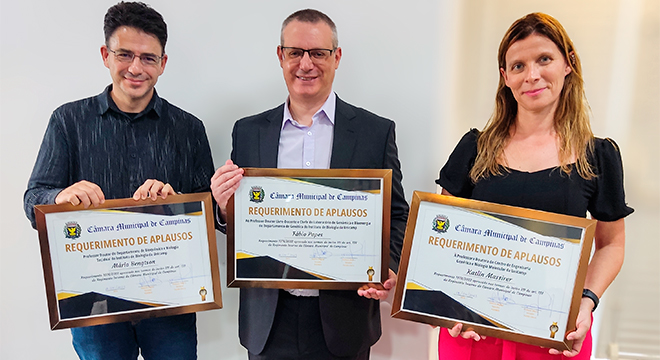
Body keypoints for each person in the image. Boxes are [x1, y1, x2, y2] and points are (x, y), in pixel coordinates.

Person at [210, 9, 409, 360]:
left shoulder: (374, 132)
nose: (306, 64)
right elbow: (237, 218)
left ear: (337, 57)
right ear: (280, 56)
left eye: (318, 53)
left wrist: (388, 265)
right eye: (295, 53)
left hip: (344, 319)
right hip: (269, 320)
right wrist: (223, 207)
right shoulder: (248, 131)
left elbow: (396, 215)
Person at [435, 12, 633, 360]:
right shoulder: (474, 149)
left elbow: (611, 244)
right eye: (518, 66)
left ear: (568, 64)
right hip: (474, 331)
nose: (532, 75)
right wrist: (445, 298)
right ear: (505, 77)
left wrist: (586, 302)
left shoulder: (597, 155)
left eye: (544, 59)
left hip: (553, 335)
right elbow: (441, 236)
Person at [23, 2, 215, 359]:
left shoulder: (189, 129)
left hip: (169, 300)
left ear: (163, 63)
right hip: (93, 303)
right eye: (125, 54)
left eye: (148, 58)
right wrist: (60, 195)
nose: (135, 68)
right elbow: (32, 199)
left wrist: (176, 203)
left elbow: (210, 209)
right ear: (105, 55)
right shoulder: (68, 121)